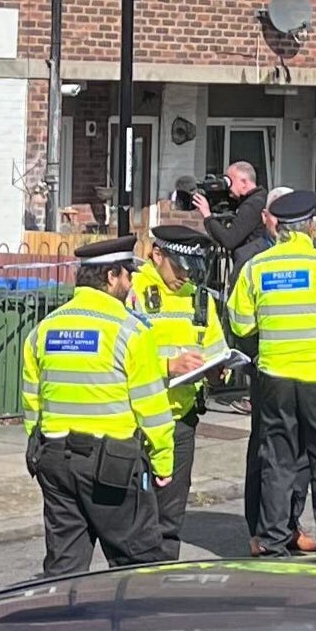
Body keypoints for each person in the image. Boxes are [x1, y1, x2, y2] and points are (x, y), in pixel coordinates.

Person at [21, 236, 176, 576]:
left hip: (55, 458)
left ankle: (62, 625)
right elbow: (151, 405)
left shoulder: (44, 329)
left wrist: (36, 446)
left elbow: (32, 401)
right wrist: (164, 460)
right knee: (136, 562)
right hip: (112, 464)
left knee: (65, 564)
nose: (132, 282)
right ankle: (130, 627)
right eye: (128, 275)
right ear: (111, 277)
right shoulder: (130, 332)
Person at [227, 187, 316, 557]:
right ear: (309, 226)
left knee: (277, 459)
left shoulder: (257, 268)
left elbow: (240, 325)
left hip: (275, 379)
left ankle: (272, 540)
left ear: (278, 228)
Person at [132, 223, 230, 553]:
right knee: (132, 515)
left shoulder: (200, 300)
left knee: (169, 517)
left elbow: (216, 350)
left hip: (180, 420)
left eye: (194, 269)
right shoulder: (132, 293)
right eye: (180, 267)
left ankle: (160, 582)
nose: (186, 277)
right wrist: (167, 367)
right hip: (137, 420)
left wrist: (218, 374)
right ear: (156, 254)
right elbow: (118, 358)